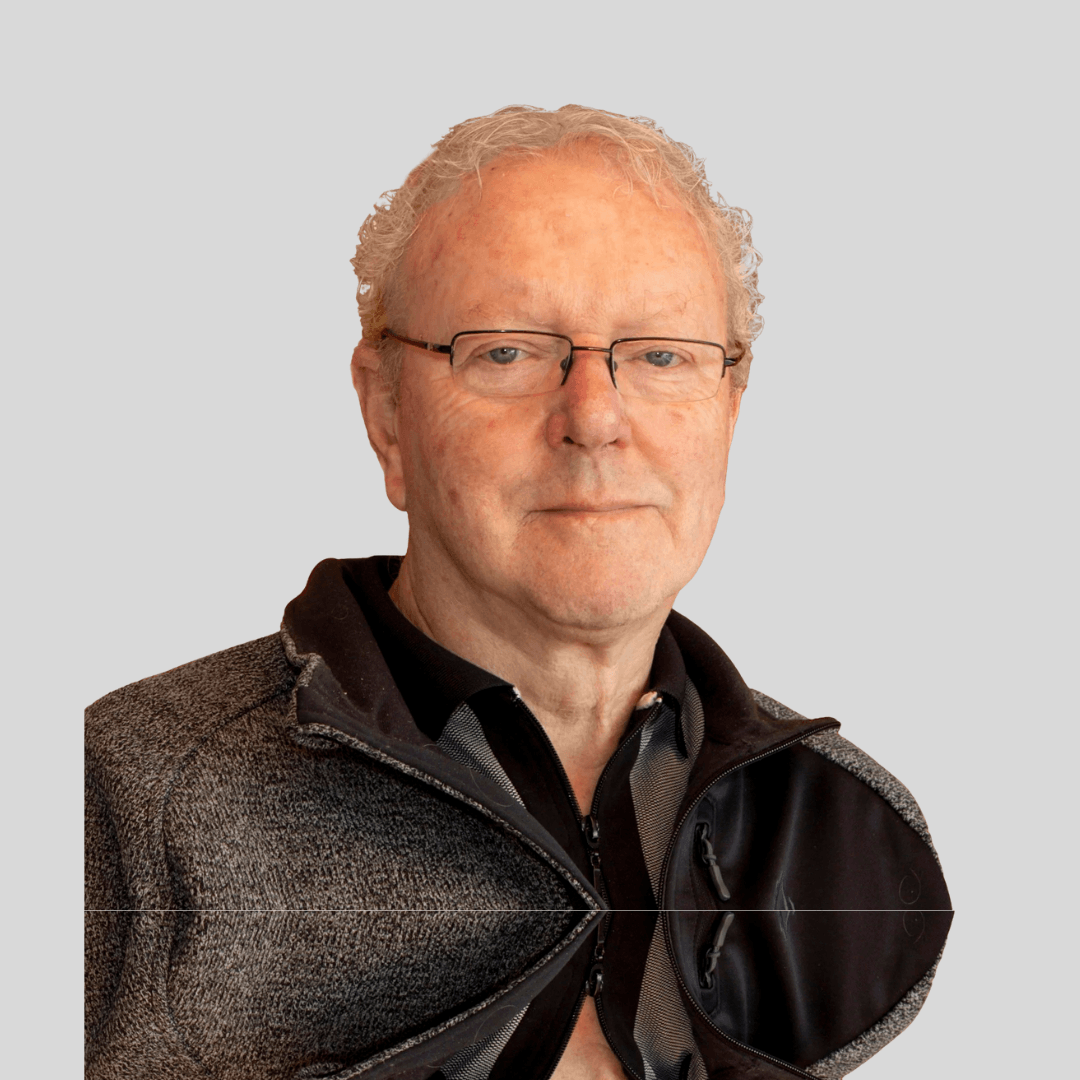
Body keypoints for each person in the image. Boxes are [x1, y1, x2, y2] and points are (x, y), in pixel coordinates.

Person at [85, 105, 951, 1080]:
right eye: (507, 352)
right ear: (386, 416)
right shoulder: (118, 787)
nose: (594, 418)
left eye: (661, 354)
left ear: (730, 410)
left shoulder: (845, 821)